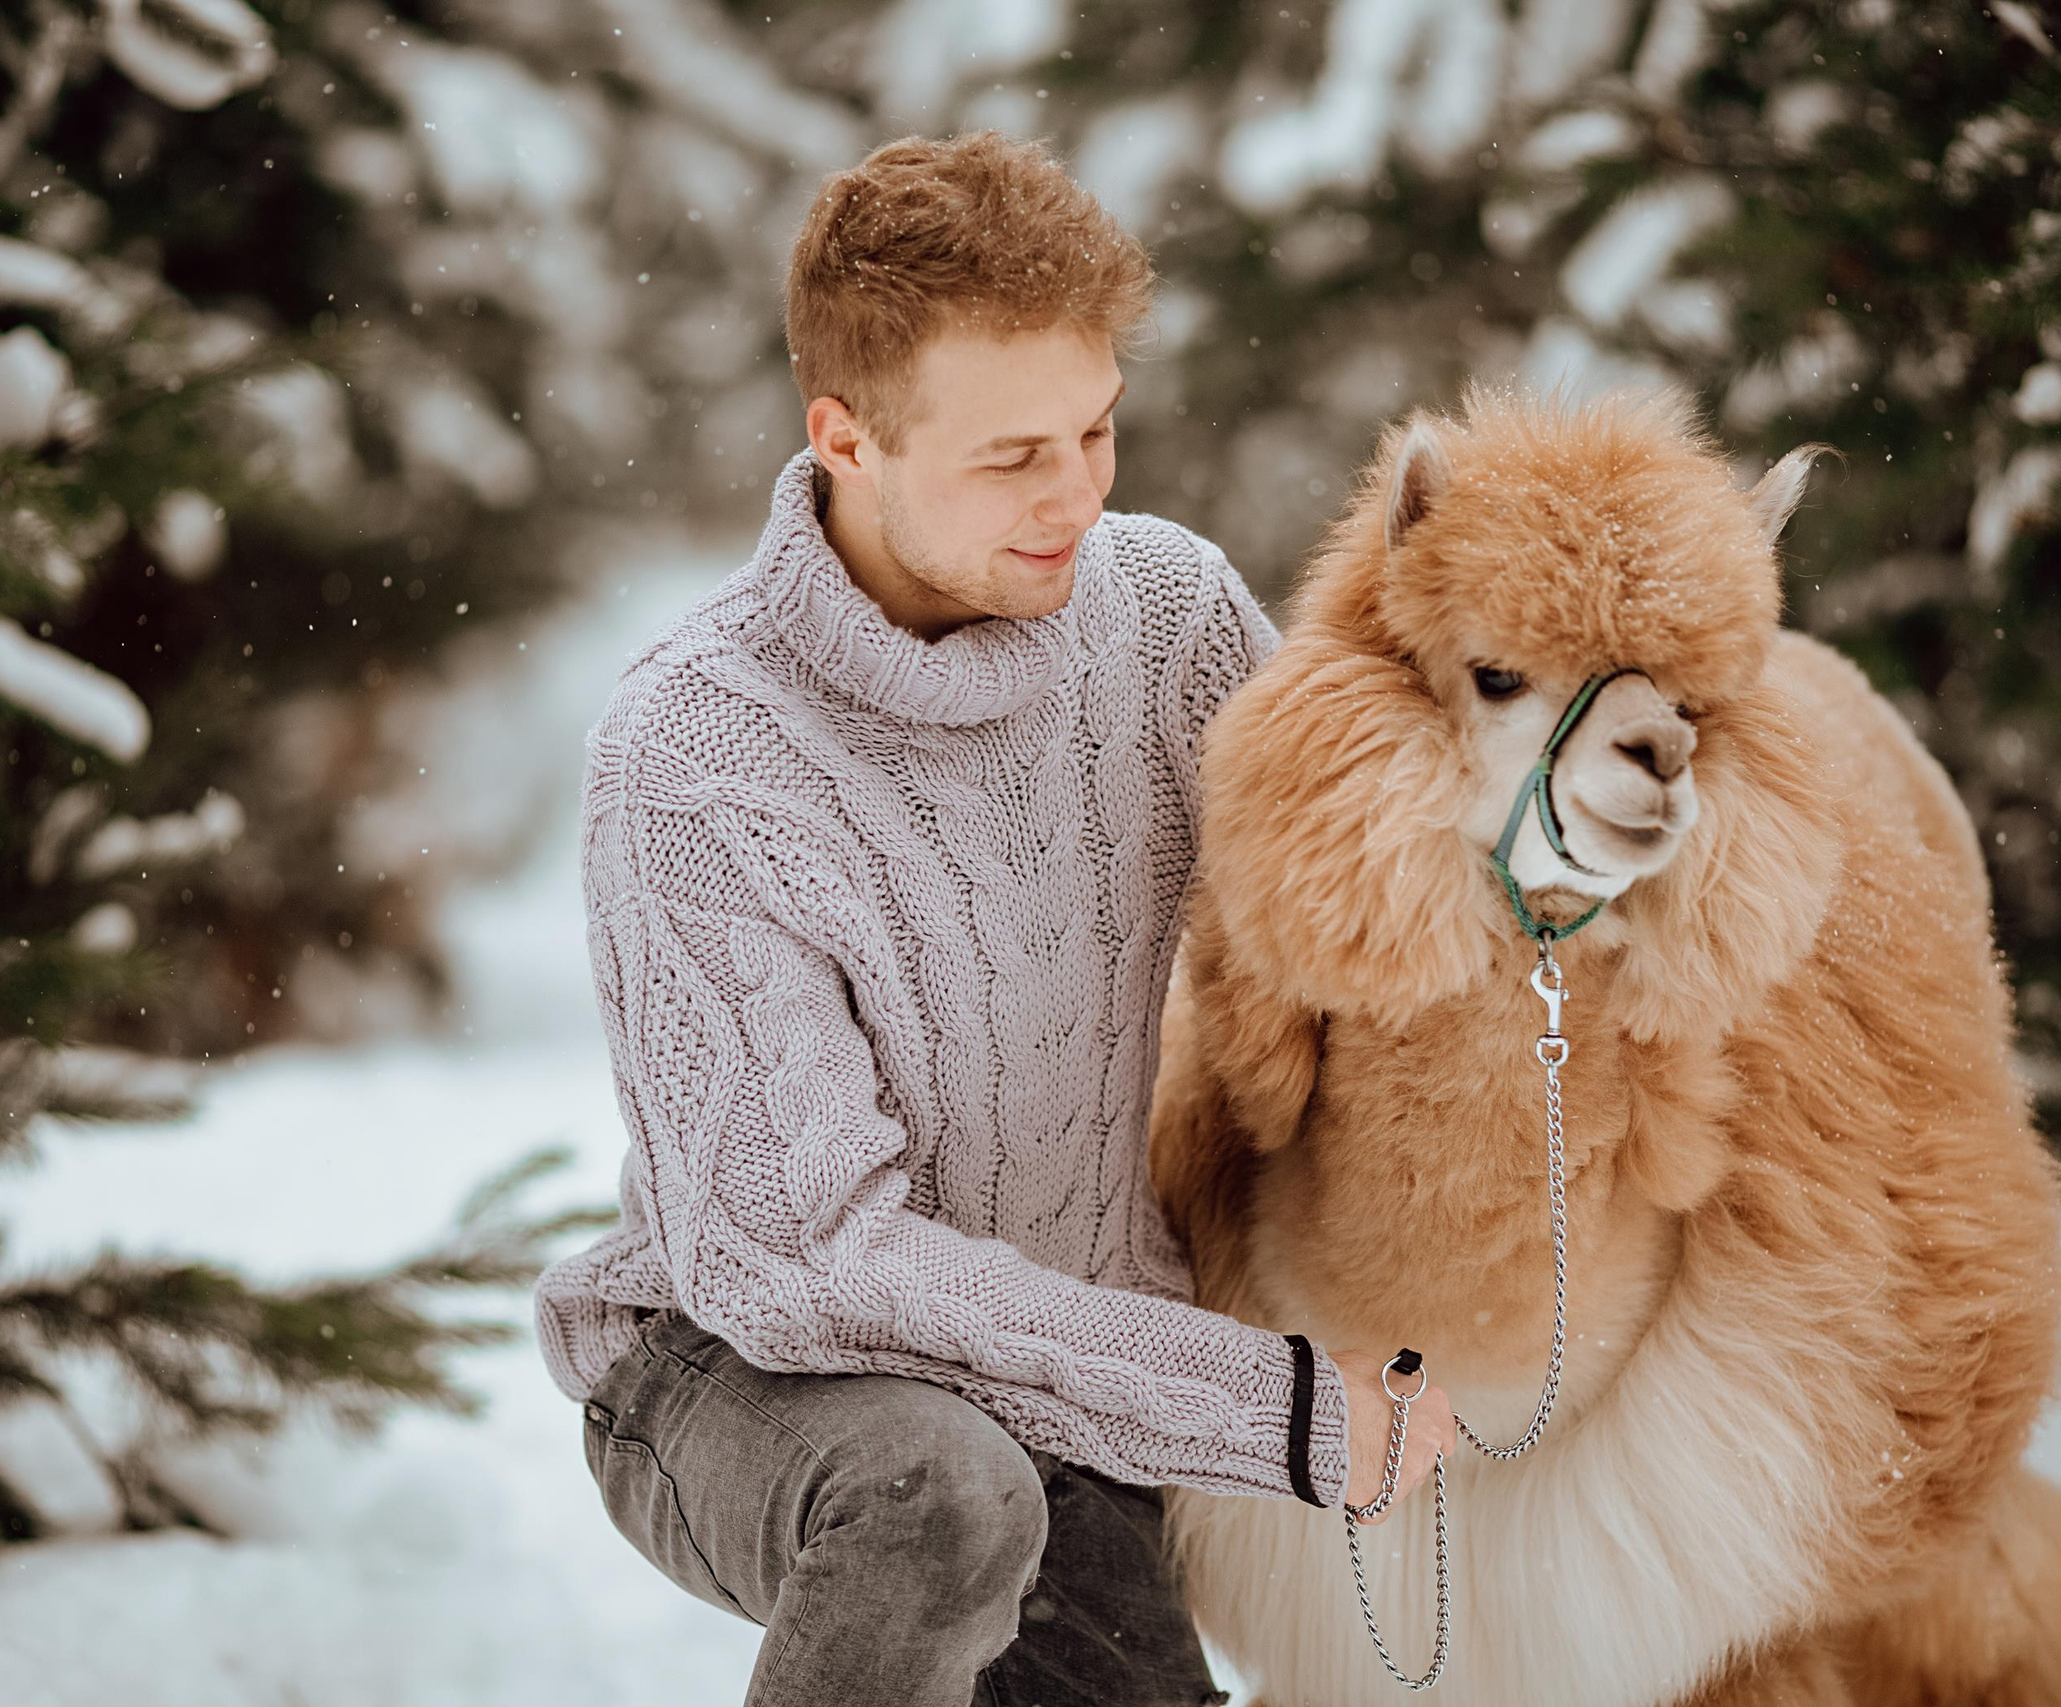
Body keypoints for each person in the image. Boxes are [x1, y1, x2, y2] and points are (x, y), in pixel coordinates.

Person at [533, 131, 1453, 1707]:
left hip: (1059, 1372)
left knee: (1012, 1515)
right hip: (742, 1373)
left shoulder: (1161, 615)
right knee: (944, 1498)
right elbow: (807, 1266)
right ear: (848, 439)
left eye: (1097, 430)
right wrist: (1261, 1404)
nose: (1080, 495)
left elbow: (1353, 885)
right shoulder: (698, 757)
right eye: (1015, 455)